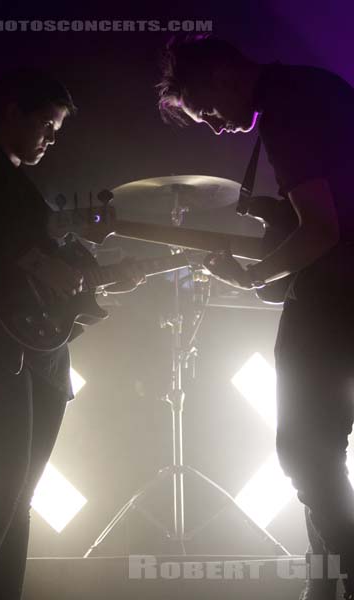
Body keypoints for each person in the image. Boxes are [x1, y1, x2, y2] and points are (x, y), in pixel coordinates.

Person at [157, 34, 354, 600]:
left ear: (222, 74)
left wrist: (256, 275)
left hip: (337, 296)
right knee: (323, 453)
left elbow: (321, 229)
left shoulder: (284, 110)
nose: (216, 127)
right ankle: (323, 586)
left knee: (305, 451)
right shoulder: (316, 86)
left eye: (209, 111)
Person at [0, 68, 142, 600]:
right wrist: (46, 261)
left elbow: (53, 280)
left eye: (57, 129)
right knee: (2, 480)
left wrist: (106, 278)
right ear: (11, 110)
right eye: (46, 123)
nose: (51, 138)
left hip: (38, 353)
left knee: (19, 491)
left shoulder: (22, 190)